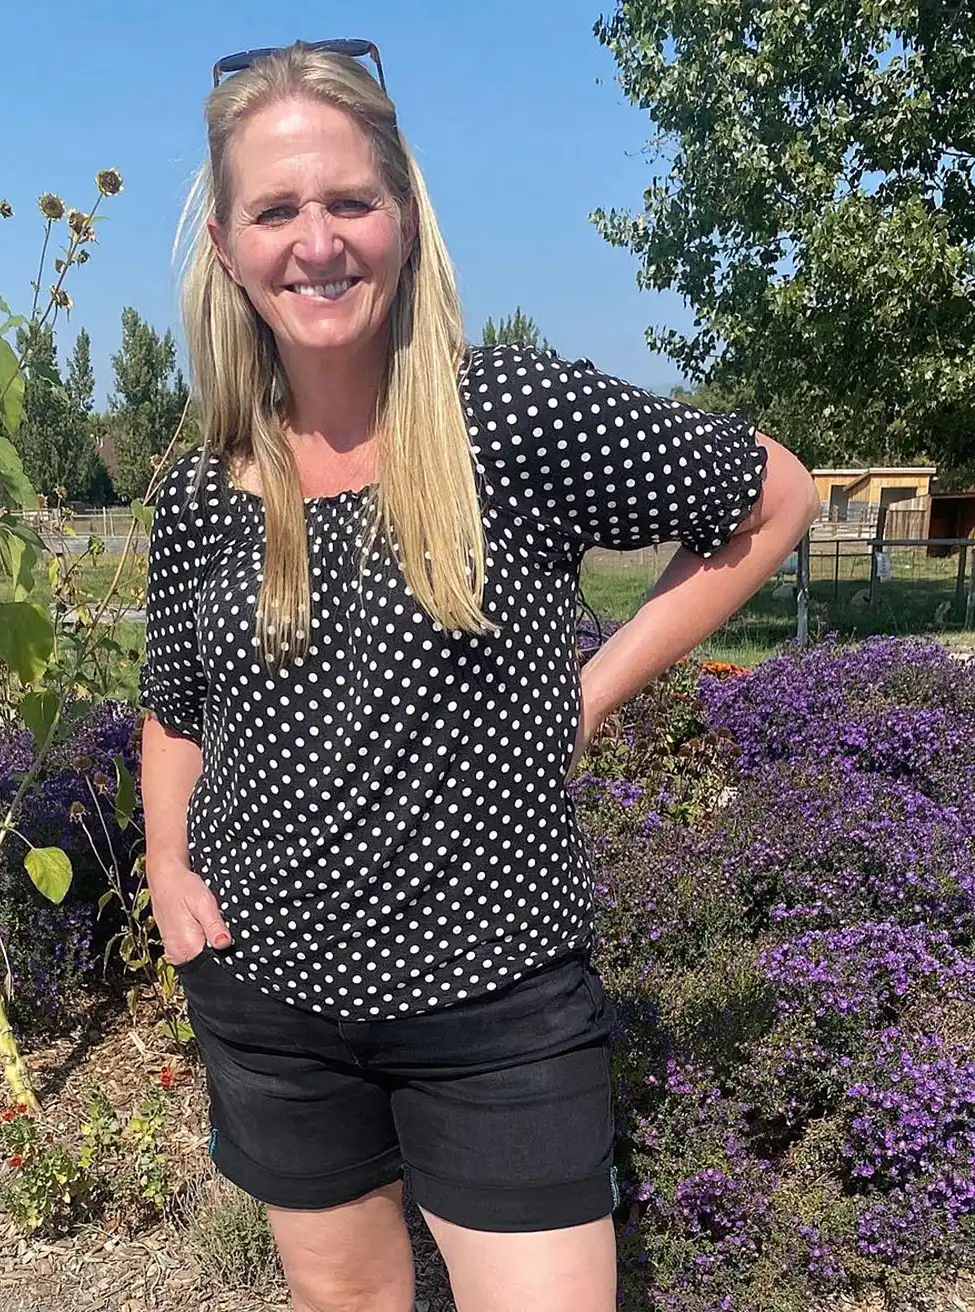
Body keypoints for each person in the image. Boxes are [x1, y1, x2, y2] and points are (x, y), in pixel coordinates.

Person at [139, 38, 820, 1312]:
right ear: (227, 248)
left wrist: (588, 688)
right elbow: (176, 710)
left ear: (403, 215)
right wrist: (169, 868)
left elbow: (775, 498)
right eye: (276, 211)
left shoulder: (508, 416)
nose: (317, 241)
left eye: (350, 200)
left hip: (495, 994)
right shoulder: (201, 487)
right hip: (270, 1000)